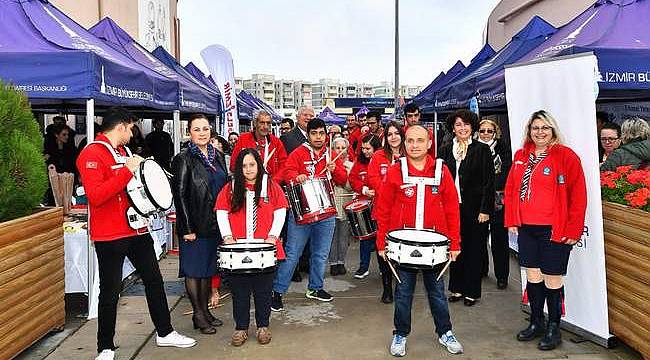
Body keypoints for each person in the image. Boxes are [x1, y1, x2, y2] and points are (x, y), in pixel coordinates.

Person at [76, 107, 196, 360]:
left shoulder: (124, 152)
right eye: (130, 128)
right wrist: (127, 170)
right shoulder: (92, 153)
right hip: (109, 234)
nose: (132, 134)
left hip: (136, 228)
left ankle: (165, 332)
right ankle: (105, 347)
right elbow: (96, 196)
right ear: (120, 126)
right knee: (110, 291)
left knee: (154, 280)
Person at [375, 125, 463, 356]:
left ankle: (445, 332)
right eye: (410, 140)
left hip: (435, 247)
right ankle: (400, 334)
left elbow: (453, 209)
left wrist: (455, 243)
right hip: (402, 247)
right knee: (403, 293)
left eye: (420, 140)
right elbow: (382, 208)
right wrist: (380, 243)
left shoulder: (441, 170)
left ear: (429, 142)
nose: (414, 145)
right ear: (404, 143)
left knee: (437, 292)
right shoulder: (395, 170)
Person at [505, 110, 587, 351]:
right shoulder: (522, 155)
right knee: (533, 275)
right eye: (535, 128)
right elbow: (511, 190)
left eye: (545, 128)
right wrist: (512, 219)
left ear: (553, 130)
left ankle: (554, 327)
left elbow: (578, 195)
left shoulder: (565, 156)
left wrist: (574, 228)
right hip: (527, 228)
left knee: (552, 277)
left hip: (554, 229)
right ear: (529, 131)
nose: (539, 132)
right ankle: (536, 322)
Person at [272, 118, 347, 310]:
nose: (318, 137)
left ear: (326, 135)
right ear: (308, 134)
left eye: (322, 133)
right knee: (292, 253)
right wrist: (296, 177)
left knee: (321, 254)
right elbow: (286, 173)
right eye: (314, 133)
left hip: (326, 212)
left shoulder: (330, 154)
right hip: (302, 213)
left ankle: (315, 287)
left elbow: (343, 179)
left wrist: (334, 169)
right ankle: (277, 291)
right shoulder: (298, 153)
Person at [215, 148, 288, 346]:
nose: (248, 169)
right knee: (240, 292)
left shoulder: (270, 185)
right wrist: (227, 236)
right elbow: (221, 211)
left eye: (252, 165)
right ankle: (241, 328)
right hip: (237, 250)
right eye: (244, 166)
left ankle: (263, 326)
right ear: (239, 168)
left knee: (264, 291)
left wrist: (273, 235)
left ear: (259, 165)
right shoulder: (230, 187)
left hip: (265, 249)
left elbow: (281, 210)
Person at [171, 114, 228, 335]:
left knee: (207, 270)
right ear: (189, 132)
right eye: (197, 129)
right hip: (194, 225)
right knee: (194, 271)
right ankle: (197, 314)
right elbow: (180, 195)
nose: (202, 133)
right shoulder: (183, 158)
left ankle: (205, 311)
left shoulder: (218, 156)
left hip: (214, 224)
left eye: (205, 129)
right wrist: (186, 229)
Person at [439, 109, 494, 307]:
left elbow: (489, 182)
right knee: (455, 249)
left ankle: (471, 291)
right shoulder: (445, 150)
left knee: (474, 250)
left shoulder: (482, 149)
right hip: (451, 209)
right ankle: (456, 288)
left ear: (473, 127)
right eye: (458, 125)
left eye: (466, 124)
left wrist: (485, 209)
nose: (462, 128)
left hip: (475, 209)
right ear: (453, 128)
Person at [365, 121, 405, 303]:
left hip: (405, 210)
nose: (394, 137)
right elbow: (372, 178)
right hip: (383, 209)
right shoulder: (379, 156)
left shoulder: (409, 154)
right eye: (390, 134)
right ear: (385, 138)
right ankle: (387, 286)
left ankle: (402, 286)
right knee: (384, 248)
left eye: (397, 133)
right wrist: (389, 189)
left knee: (402, 248)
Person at [476, 119, 512, 289]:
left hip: (498, 201)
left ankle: (502, 276)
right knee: (479, 238)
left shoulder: (503, 148)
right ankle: (482, 269)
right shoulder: (472, 148)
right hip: (479, 200)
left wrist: (489, 184)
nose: (485, 134)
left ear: (495, 133)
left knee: (499, 240)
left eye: (489, 131)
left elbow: (506, 172)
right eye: (482, 131)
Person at [348, 134, 384, 286]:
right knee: (365, 237)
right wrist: (363, 189)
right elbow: (352, 178)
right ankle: (363, 267)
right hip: (364, 204)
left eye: (368, 148)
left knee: (382, 237)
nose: (365, 151)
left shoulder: (384, 160)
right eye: (363, 148)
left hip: (381, 205)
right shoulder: (359, 162)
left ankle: (385, 267)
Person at [230, 110, 288, 179]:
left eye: (268, 123)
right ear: (255, 123)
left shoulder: (276, 142)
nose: (265, 127)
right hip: (249, 184)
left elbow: (284, 166)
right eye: (262, 123)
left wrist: (274, 182)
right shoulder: (243, 139)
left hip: (271, 184)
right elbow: (233, 165)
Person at [328, 137, 354, 276]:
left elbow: (351, 186)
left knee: (344, 236)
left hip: (345, 203)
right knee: (332, 236)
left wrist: (340, 175)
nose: (340, 151)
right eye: (337, 148)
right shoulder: (328, 163)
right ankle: (333, 262)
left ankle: (341, 261)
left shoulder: (350, 165)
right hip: (332, 203)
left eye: (342, 148)